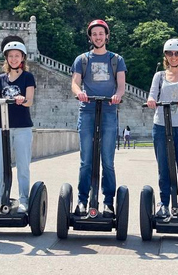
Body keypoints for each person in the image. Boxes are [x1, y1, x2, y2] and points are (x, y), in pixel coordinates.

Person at [71, 19, 126, 216]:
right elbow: (75, 83)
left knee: (108, 161)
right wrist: (79, 93)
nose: (98, 37)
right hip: (87, 110)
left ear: (107, 36)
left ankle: (108, 202)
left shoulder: (116, 59)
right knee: (86, 160)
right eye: (94, 34)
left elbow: (121, 85)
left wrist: (118, 95)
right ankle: (82, 200)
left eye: (101, 33)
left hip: (109, 111)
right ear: (90, 37)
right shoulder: (83, 60)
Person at [0, 41, 35, 212]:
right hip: (2, 127)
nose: (13, 59)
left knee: (23, 165)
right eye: (10, 56)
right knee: (2, 165)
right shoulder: (0, 79)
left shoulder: (28, 77)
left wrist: (21, 99)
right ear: (6, 59)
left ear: (22, 58)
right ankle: (0, 199)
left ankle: (23, 199)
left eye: (17, 56)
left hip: (22, 127)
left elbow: (29, 101)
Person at [146, 38, 178, 219]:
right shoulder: (159, 76)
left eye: (177, 53)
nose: (173, 56)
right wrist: (151, 101)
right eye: (170, 53)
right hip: (161, 125)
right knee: (163, 168)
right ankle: (164, 204)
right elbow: (152, 95)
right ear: (165, 56)